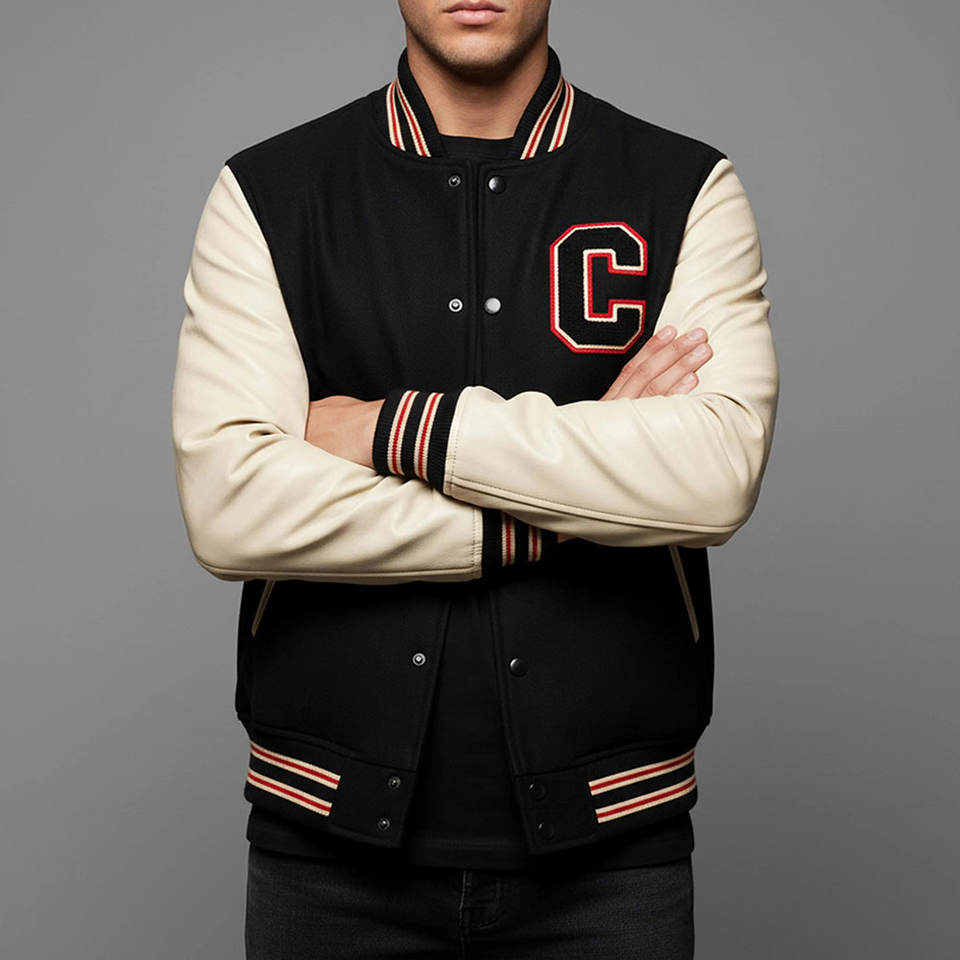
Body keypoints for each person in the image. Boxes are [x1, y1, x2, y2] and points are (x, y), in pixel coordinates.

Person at [171, 1, 779, 956]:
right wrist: (578, 492)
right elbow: (230, 508)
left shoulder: (684, 185)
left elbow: (716, 474)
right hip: (326, 849)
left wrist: (388, 428)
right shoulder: (270, 191)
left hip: (614, 853)